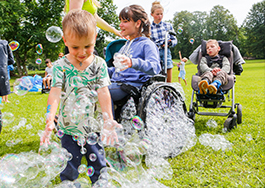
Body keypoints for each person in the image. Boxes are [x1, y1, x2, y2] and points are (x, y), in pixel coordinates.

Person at [40, 10, 121, 184]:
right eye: (75, 47)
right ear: (65, 41)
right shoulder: (60, 66)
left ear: (95, 37)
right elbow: (54, 93)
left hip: (93, 126)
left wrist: (108, 119)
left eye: (88, 46)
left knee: (98, 167)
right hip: (68, 128)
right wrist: (49, 118)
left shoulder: (99, 64)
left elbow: (103, 92)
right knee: (69, 168)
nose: (82, 52)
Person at [107, 5, 161, 117]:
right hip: (117, 83)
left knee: (103, 92)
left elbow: (155, 67)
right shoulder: (124, 46)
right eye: (120, 21)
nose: (120, 25)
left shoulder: (147, 44)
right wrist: (101, 69)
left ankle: (110, 129)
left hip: (131, 86)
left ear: (137, 23)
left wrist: (133, 62)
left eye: (125, 21)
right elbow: (118, 70)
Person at [150, 1, 177, 83]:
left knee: (168, 72)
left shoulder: (167, 25)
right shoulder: (149, 28)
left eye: (161, 14)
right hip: (154, 53)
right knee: (156, 77)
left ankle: (168, 90)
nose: (160, 16)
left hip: (165, 51)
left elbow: (174, 39)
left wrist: (170, 43)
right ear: (152, 14)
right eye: (157, 14)